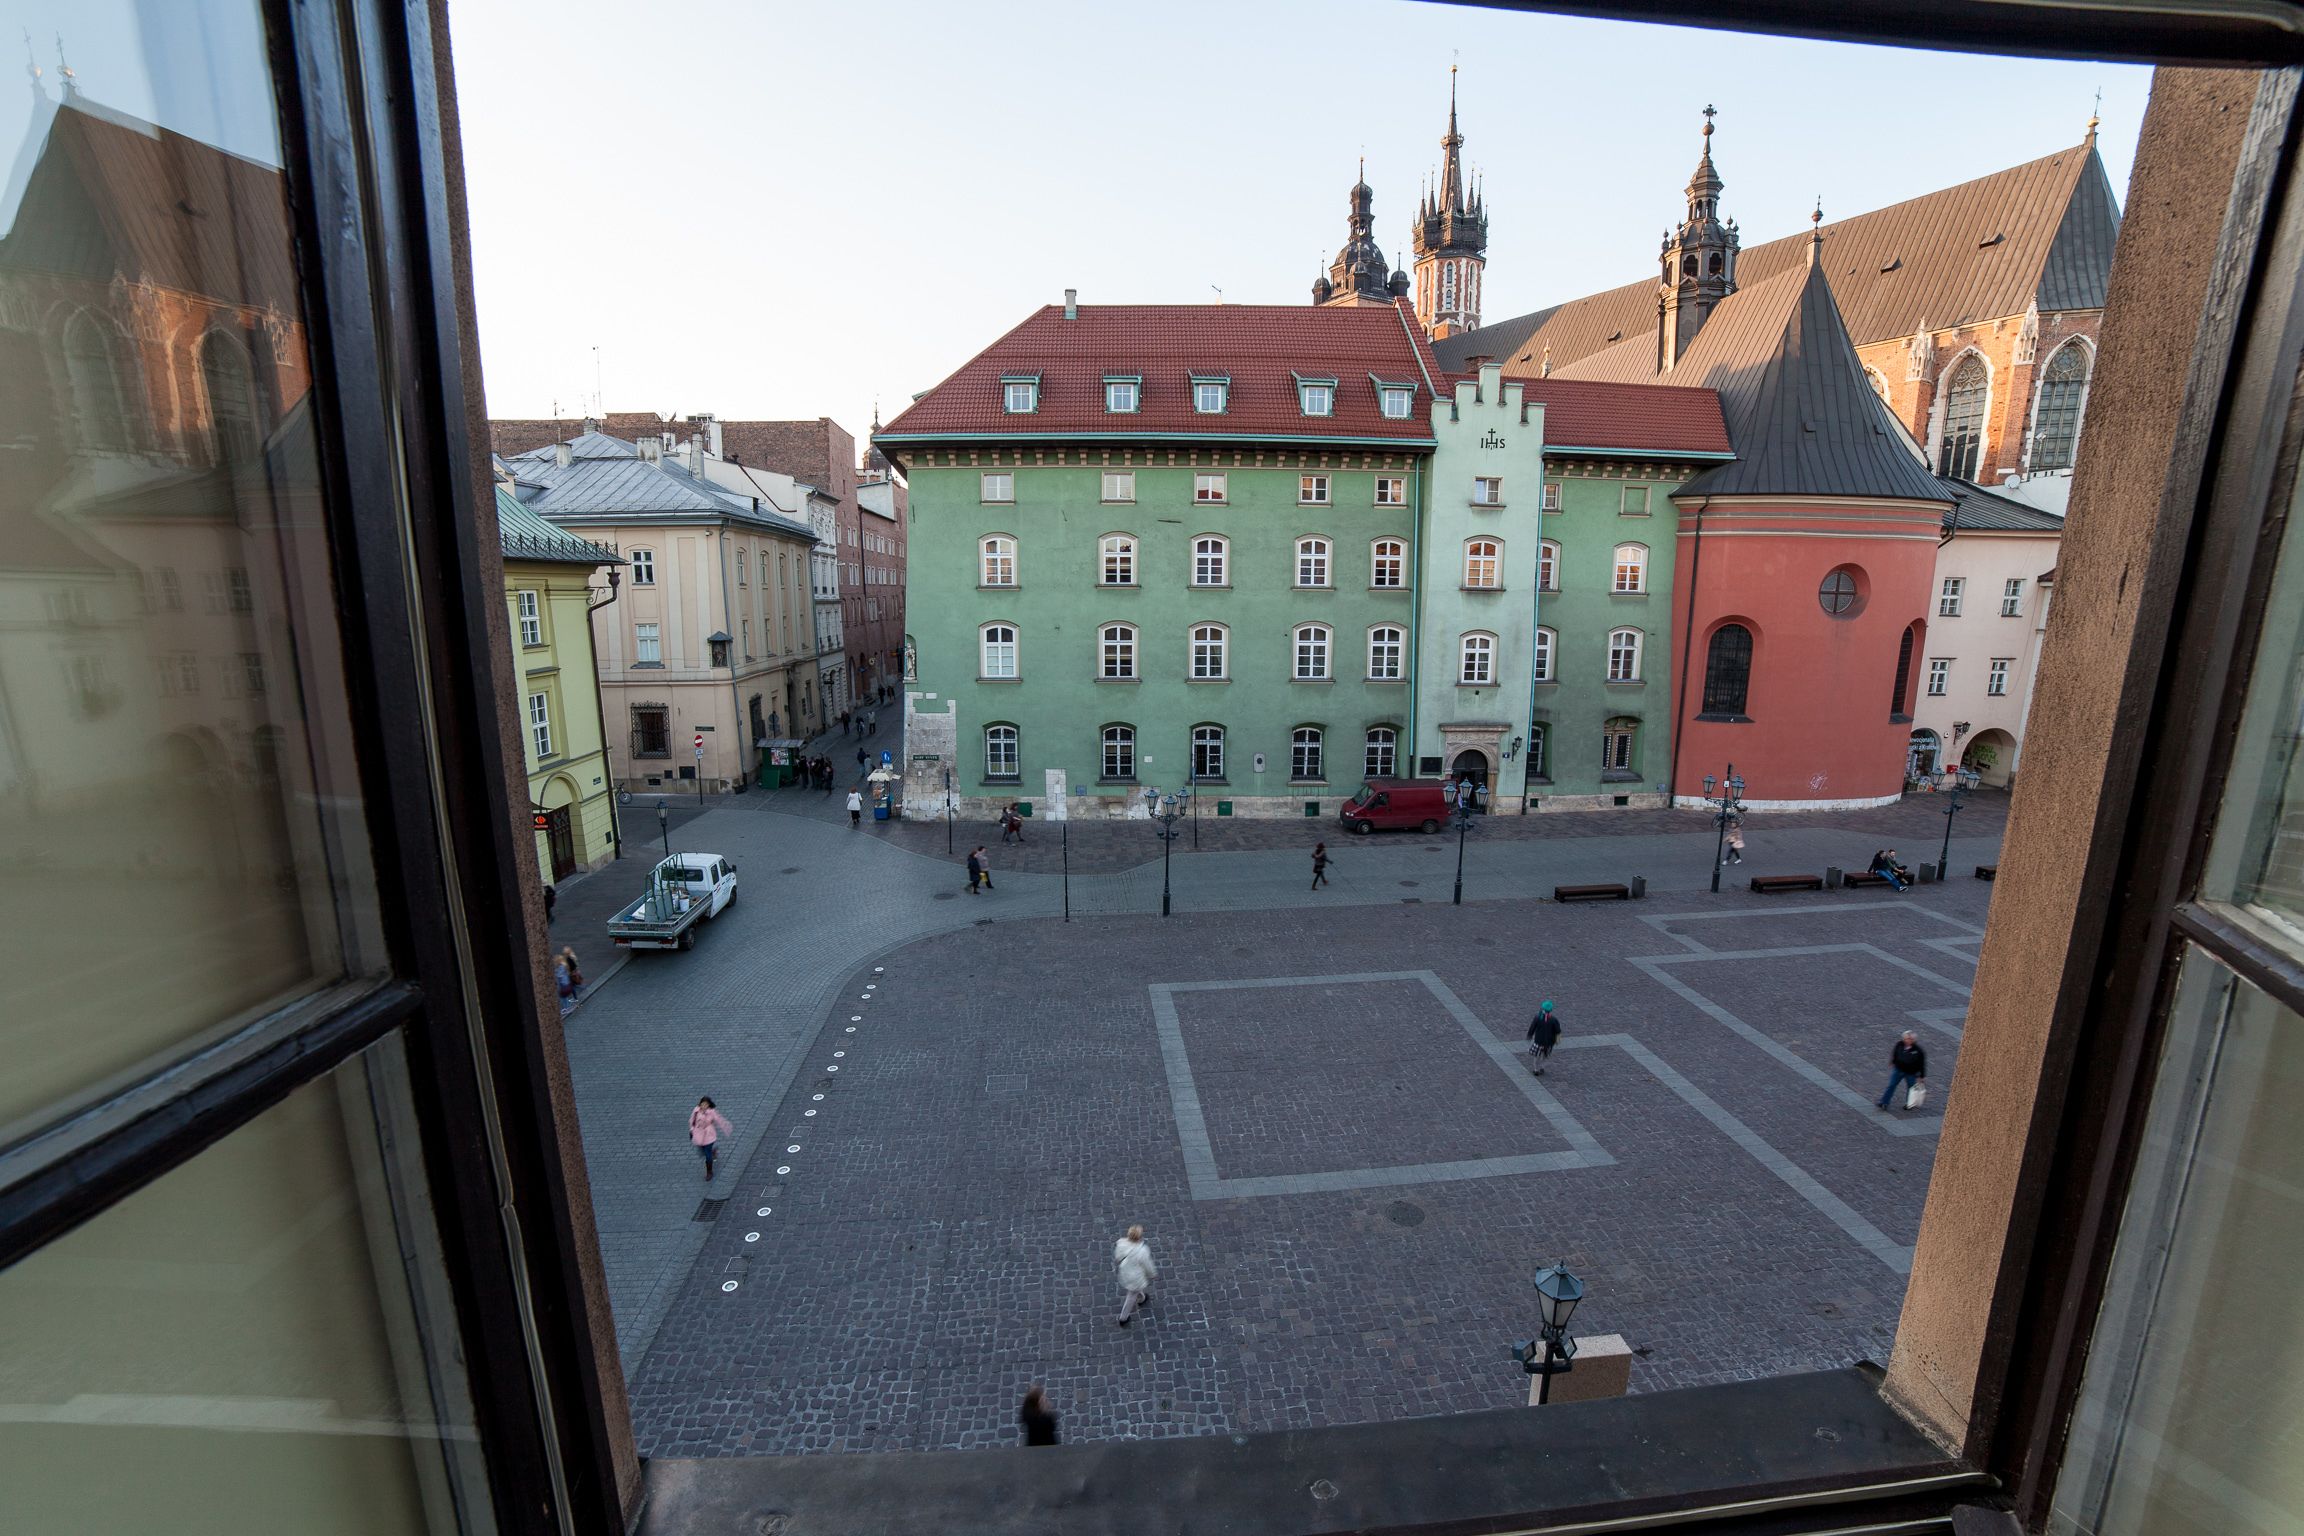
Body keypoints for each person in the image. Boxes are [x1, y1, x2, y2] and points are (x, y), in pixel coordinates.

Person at [1114, 1224, 1157, 1326]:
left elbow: (1118, 1257)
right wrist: (1152, 1274)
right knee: (1131, 1295)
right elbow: (1147, 1265)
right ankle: (1123, 1317)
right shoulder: (1142, 1251)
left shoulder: (1121, 1243)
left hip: (1125, 1271)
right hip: (1135, 1277)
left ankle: (1142, 1298)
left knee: (1135, 1290)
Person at [1877, 1032, 1928, 1110]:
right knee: (1891, 1085)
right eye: (1907, 1038)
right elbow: (1895, 1053)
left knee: (1911, 1088)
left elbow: (1922, 1064)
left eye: (1910, 1039)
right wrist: (1893, 1061)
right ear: (1904, 1038)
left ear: (1914, 1040)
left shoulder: (1918, 1050)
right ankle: (1884, 1102)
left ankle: (1909, 1104)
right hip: (1898, 1070)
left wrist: (1922, 1076)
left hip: (1911, 1073)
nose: (1908, 1040)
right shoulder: (1899, 1044)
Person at [689, 1096, 733, 1181]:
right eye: (703, 1104)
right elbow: (692, 1121)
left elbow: (719, 1120)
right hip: (698, 1134)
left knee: (707, 1155)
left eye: (706, 1104)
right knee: (702, 1152)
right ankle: (713, 1152)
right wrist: (691, 1130)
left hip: (709, 1135)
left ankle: (709, 1172)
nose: (704, 1106)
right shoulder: (696, 1111)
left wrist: (726, 1127)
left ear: (709, 1105)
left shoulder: (711, 1112)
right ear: (700, 1104)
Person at [1527, 999, 1562, 1075]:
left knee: (1536, 1056)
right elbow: (1558, 1031)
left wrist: (1530, 1035)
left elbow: (1532, 1027)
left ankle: (1535, 1069)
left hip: (1538, 1041)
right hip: (1549, 1042)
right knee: (1545, 1055)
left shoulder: (1537, 1018)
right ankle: (1542, 1067)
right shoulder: (1554, 1020)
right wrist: (1557, 1039)